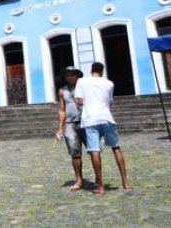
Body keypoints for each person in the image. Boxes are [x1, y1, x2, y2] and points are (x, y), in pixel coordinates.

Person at [75, 62, 131, 195]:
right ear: (102, 71)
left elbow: (79, 101)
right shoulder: (109, 83)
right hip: (106, 117)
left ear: (91, 70)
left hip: (90, 119)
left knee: (95, 150)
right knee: (116, 148)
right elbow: (109, 101)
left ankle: (100, 186)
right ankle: (125, 182)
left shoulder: (82, 81)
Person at [55, 66, 86, 191]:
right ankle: (79, 180)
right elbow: (62, 110)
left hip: (86, 122)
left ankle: (98, 179)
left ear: (77, 76)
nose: (71, 77)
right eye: (68, 75)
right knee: (75, 153)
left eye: (73, 75)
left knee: (94, 151)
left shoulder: (84, 88)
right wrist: (60, 129)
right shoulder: (62, 91)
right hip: (70, 124)